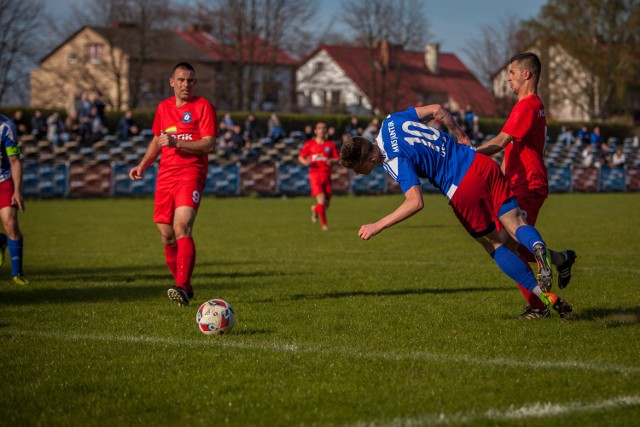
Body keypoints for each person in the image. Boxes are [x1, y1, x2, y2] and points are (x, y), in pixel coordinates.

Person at [339, 104, 572, 319]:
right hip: (481, 163)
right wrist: (460, 135)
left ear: (371, 157)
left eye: (358, 168)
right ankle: (539, 247)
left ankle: (543, 299)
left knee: (494, 245)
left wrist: (377, 225)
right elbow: (438, 110)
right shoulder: (391, 121)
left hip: (460, 186)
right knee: (516, 224)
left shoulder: (394, 160)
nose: (358, 174)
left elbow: (415, 202)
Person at [475, 52, 576, 319]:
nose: (508, 78)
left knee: (504, 246)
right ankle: (560, 259)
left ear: (526, 74)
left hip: (528, 184)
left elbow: (500, 141)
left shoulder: (527, 105)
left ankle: (538, 306)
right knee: (516, 245)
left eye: (511, 73)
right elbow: (511, 151)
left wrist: (469, 154)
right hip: (519, 183)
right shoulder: (530, 105)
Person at [129, 62, 217, 306]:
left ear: (195, 83)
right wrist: (143, 164)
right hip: (166, 176)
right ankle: (186, 287)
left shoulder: (203, 107)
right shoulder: (163, 108)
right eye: (181, 80)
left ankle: (180, 286)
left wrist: (179, 143)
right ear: (171, 82)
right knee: (167, 236)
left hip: (191, 173)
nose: (185, 85)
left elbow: (209, 144)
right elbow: (159, 140)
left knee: (182, 227)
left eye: (190, 80)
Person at [0, 114, 29, 286]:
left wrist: (17, 191)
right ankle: (1, 241)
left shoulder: (6, 127)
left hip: (4, 181)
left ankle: (16, 273)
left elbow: (15, 161)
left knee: (10, 223)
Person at [298, 122, 339, 231]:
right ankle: (324, 225)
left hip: (327, 174)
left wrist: (332, 161)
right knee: (321, 201)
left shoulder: (330, 145)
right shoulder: (309, 144)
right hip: (315, 175)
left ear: (326, 131)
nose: (322, 129)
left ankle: (315, 209)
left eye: (324, 128)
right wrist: (305, 162)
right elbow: (301, 157)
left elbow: (337, 158)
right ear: (315, 131)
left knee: (326, 204)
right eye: (319, 128)